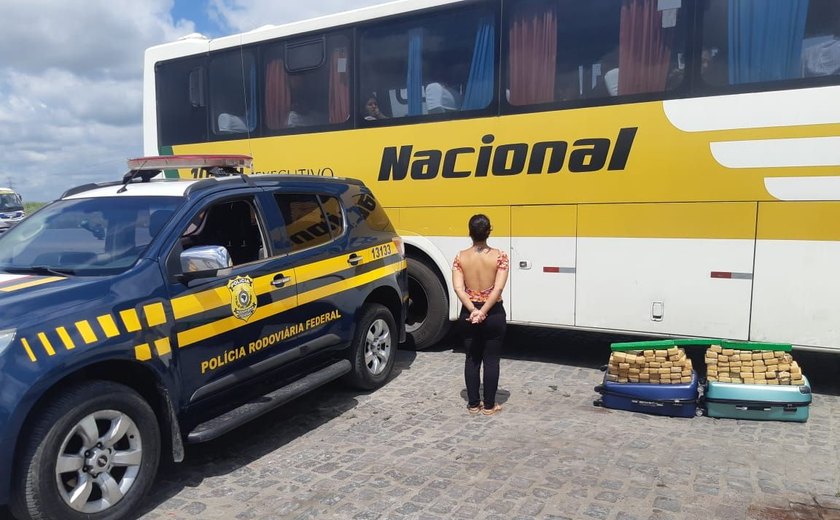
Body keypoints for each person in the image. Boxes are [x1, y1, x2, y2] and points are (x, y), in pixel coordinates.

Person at [452, 214, 509, 416]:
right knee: (491, 359)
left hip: (469, 313)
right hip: (493, 313)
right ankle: (489, 405)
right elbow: (498, 289)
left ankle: (473, 404)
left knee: (472, 358)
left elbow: (459, 288)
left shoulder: (460, 257)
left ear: (469, 232)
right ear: (489, 231)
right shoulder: (500, 256)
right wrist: (484, 311)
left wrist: (473, 310)